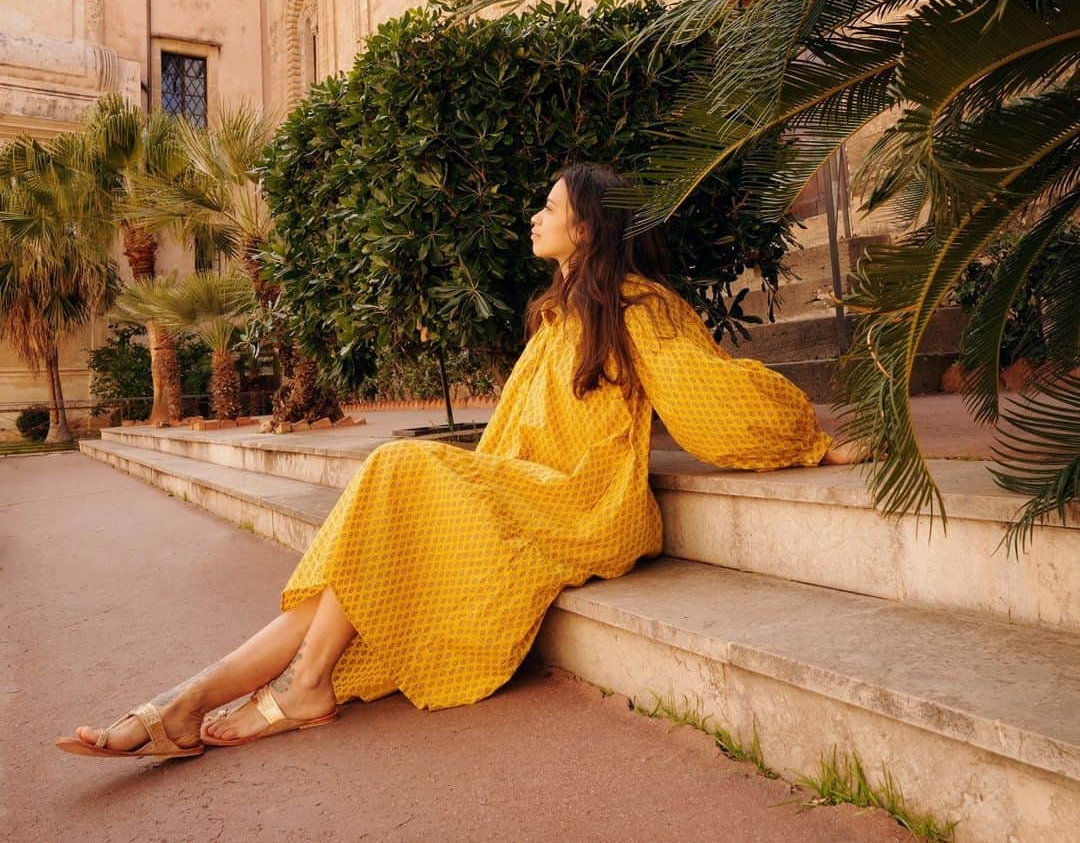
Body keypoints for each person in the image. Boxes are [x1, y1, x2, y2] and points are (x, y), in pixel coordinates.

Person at [57, 162, 850, 761]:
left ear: (588, 229)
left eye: (549, 207)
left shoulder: (640, 307)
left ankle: (291, 687)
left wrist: (811, 437)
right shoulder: (555, 316)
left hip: (584, 508)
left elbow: (713, 397)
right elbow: (509, 437)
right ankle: (188, 698)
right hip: (523, 492)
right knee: (362, 557)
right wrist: (475, 494)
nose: (533, 216)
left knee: (400, 472)